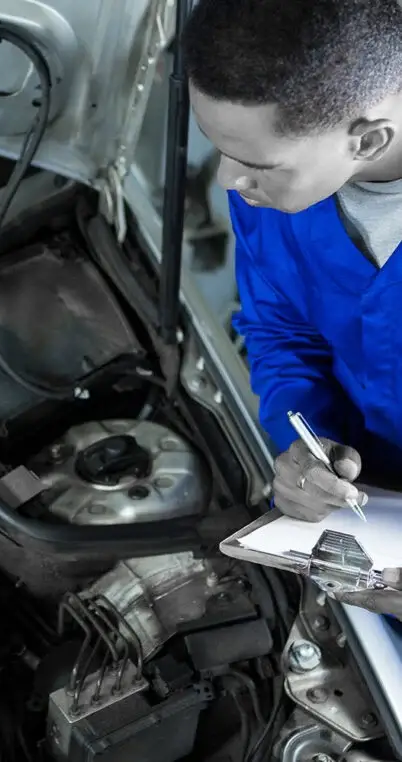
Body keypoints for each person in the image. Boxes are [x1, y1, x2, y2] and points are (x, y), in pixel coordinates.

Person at [182, 0, 402, 617]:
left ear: (369, 140)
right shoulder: (272, 192)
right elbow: (279, 332)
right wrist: (307, 446)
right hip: (368, 523)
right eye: (219, 148)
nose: (228, 181)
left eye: (256, 164)